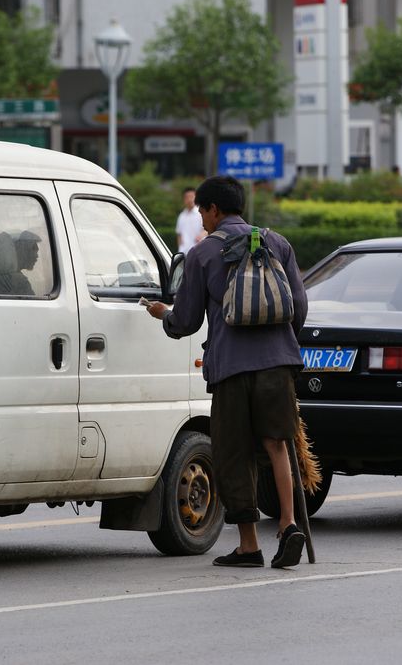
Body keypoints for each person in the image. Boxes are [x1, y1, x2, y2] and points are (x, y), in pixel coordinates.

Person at [145, 175, 309, 569]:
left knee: (234, 455)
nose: (201, 219)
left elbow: (185, 321)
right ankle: (288, 525)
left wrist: (162, 314)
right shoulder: (277, 243)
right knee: (277, 445)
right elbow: (299, 307)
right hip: (278, 364)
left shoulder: (202, 255)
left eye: (202, 211)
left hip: (231, 368)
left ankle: (249, 545)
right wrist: (280, 344)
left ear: (214, 209)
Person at [175, 187, 204, 253]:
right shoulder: (181, 216)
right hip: (184, 252)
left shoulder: (201, 213)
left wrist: (201, 236)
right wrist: (180, 248)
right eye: (187, 197)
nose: (189, 199)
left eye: (191, 197)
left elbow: (207, 230)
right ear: (183, 199)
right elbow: (179, 234)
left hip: (199, 251)